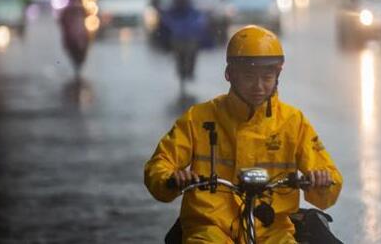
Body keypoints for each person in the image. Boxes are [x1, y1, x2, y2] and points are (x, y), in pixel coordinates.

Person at [144, 25, 343, 244]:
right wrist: (172, 179)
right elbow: (159, 165)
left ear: (278, 75)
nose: (258, 86)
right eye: (249, 76)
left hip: (272, 230)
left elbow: (330, 179)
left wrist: (322, 181)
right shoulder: (198, 118)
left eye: (267, 76)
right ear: (230, 74)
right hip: (210, 228)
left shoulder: (293, 122)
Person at [161, 0, 207, 93]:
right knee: (187, 57)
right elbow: (200, 20)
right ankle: (186, 74)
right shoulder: (185, 10)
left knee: (185, 57)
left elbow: (166, 20)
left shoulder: (177, 10)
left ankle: (185, 74)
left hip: (182, 37)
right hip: (185, 37)